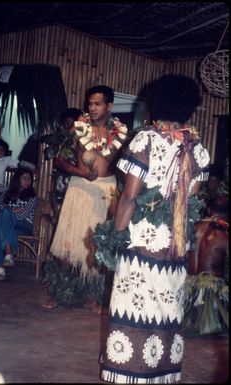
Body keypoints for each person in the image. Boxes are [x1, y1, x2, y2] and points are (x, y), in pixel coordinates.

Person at [98, 75, 210, 383]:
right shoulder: (198, 149)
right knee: (165, 309)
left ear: (157, 104)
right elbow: (190, 203)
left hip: (140, 243)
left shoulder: (145, 139)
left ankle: (128, 373)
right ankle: (163, 373)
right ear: (189, 108)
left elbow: (130, 197)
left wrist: (114, 237)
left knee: (133, 308)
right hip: (174, 245)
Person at [45, 86, 128, 312]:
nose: (92, 108)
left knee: (96, 247)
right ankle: (59, 293)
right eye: (90, 103)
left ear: (109, 106)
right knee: (69, 245)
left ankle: (93, 296)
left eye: (97, 104)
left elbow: (123, 167)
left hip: (106, 191)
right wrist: (81, 173)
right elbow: (59, 161)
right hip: (80, 188)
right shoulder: (78, 128)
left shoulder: (121, 134)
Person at [0, 167, 37, 280]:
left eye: (29, 179)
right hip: (9, 226)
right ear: (17, 179)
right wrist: (5, 210)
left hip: (24, 226)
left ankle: (1, 265)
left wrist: (8, 211)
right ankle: (8, 256)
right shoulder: (7, 194)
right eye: (24, 178)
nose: (27, 181)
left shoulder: (32, 197)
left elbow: (23, 216)